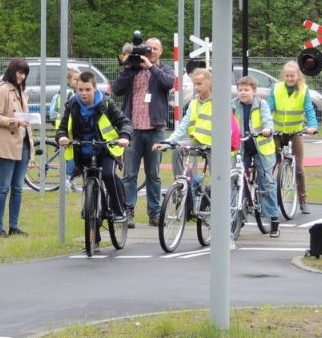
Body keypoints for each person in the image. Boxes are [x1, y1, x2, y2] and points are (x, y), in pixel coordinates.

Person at [153, 68, 240, 248]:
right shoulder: (193, 104)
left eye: (199, 84)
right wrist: (169, 142)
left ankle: (227, 234)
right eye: (194, 84)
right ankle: (183, 185)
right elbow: (184, 125)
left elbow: (229, 126)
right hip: (196, 142)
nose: (196, 87)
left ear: (209, 82)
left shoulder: (220, 102)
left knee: (220, 189)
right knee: (177, 149)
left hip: (214, 145)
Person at [55, 71, 132, 250]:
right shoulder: (72, 104)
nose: (83, 93)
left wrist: (124, 136)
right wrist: (62, 137)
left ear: (95, 88)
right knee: (90, 195)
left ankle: (119, 209)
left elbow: (124, 122)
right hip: (84, 150)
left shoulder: (106, 103)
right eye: (80, 89)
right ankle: (93, 239)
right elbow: (62, 127)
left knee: (107, 174)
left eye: (87, 89)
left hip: (106, 149)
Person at [111, 37, 175, 227]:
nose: (151, 52)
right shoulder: (133, 70)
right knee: (129, 174)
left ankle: (154, 213)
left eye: (155, 49)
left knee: (153, 174)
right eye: (148, 49)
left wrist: (151, 68)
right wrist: (127, 68)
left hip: (155, 130)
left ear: (161, 52)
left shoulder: (164, 70)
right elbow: (117, 89)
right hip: (133, 130)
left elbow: (168, 83)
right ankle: (127, 210)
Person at [0, 58, 34, 237]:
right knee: (4, 187)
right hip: (6, 144)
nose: (22, 76)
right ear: (12, 71)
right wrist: (15, 121)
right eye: (19, 72)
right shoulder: (2, 89)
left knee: (18, 187)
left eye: (25, 73)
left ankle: (13, 226)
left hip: (22, 144)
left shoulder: (22, 91)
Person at [232, 76, 281, 237]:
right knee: (236, 178)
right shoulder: (233, 105)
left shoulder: (261, 104)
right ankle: (237, 213)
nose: (243, 93)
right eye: (240, 90)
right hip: (242, 146)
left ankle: (273, 219)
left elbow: (267, 120)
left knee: (267, 182)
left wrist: (267, 129)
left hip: (261, 147)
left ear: (254, 91)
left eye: (246, 90)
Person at [268, 60, 319, 215]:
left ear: (298, 76)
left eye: (293, 76)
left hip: (295, 132)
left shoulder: (303, 90)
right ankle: (269, 198)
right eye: (287, 76)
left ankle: (303, 200)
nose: (290, 78)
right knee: (270, 164)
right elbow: (268, 108)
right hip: (277, 132)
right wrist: (265, 126)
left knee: (298, 167)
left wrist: (312, 126)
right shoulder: (276, 89)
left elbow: (309, 110)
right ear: (284, 76)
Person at [50, 68, 80, 193]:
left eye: (79, 79)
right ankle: (67, 180)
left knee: (70, 156)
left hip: (61, 127)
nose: (78, 82)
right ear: (69, 80)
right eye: (75, 79)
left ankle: (71, 180)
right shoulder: (70, 95)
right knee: (73, 155)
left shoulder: (60, 93)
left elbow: (52, 113)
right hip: (67, 129)